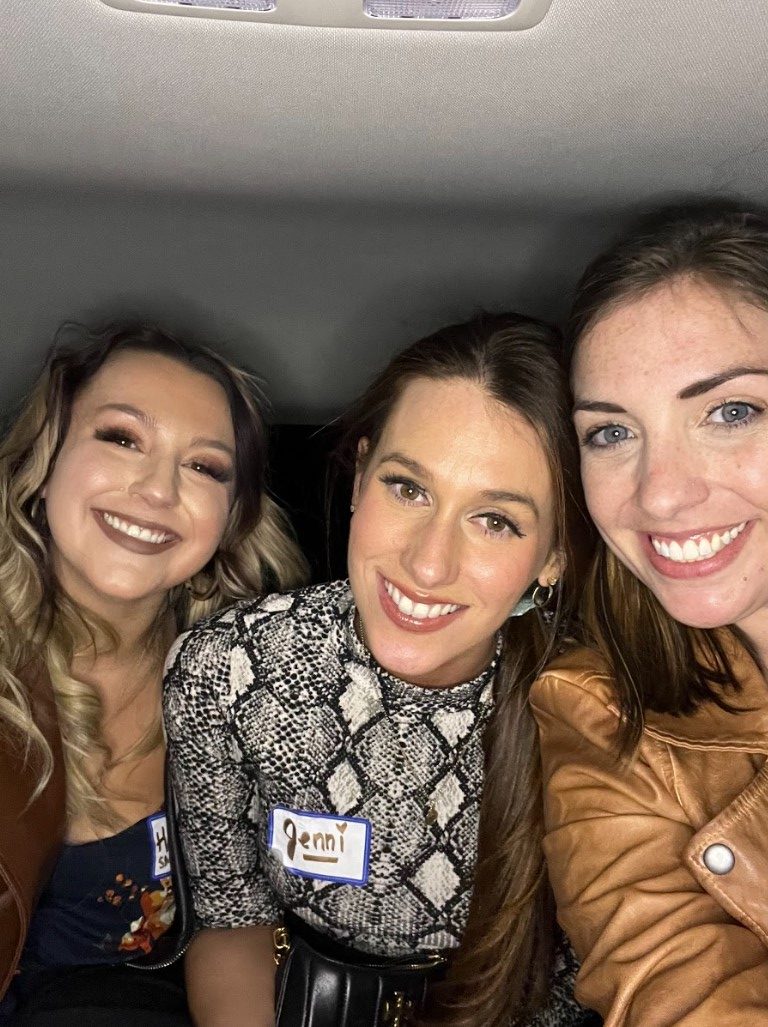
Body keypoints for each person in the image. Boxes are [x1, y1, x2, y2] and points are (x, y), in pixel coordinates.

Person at [164, 313, 597, 1027]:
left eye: (495, 520)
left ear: (553, 557)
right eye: (408, 488)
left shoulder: (596, 709)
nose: (428, 563)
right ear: (361, 476)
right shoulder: (228, 670)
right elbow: (231, 920)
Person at [0, 323, 307, 1025]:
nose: (157, 489)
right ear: (45, 462)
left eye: (204, 467)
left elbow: (248, 929)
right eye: (121, 438)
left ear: (232, 519)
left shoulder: (257, 684)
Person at [531, 201, 768, 1025]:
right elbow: (672, 990)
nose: (660, 493)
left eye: (731, 411)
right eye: (610, 433)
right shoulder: (603, 716)